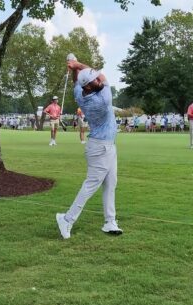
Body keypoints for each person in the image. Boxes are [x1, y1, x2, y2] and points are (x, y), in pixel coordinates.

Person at [56, 56, 123, 239]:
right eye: (93, 80)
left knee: (111, 184)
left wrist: (73, 67)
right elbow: (103, 77)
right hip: (100, 148)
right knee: (91, 185)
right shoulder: (103, 99)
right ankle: (67, 219)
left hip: (107, 146)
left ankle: (110, 221)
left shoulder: (80, 93)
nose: (97, 80)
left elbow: (78, 81)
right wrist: (77, 64)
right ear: (88, 86)